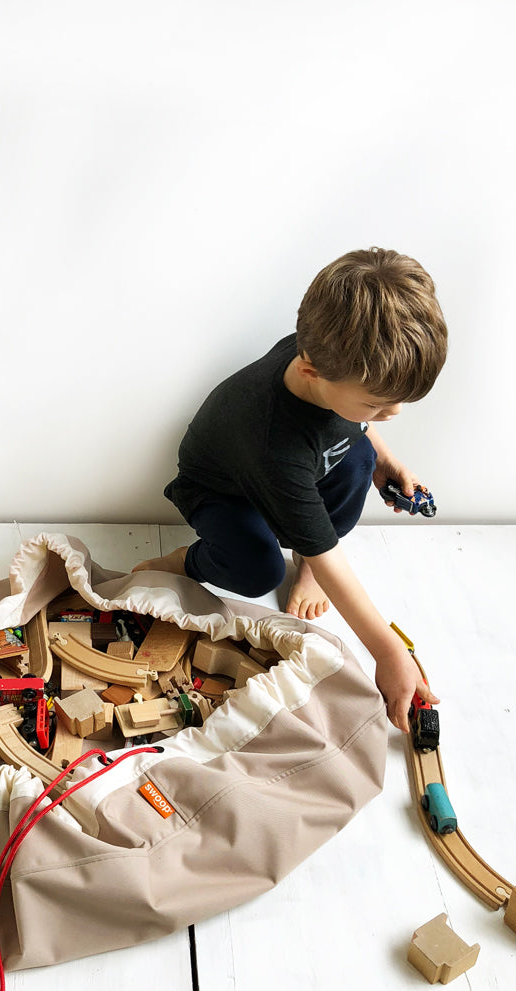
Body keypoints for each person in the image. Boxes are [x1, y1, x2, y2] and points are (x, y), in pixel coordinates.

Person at [134, 248, 447, 733]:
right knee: (257, 570)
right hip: (224, 489)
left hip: (299, 469)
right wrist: (389, 652)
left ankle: (303, 566)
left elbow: (354, 426)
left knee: (360, 459)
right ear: (311, 372)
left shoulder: (324, 349)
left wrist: (384, 457)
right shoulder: (272, 445)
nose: (394, 414)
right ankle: (185, 560)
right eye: (377, 404)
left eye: (397, 402)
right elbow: (327, 554)